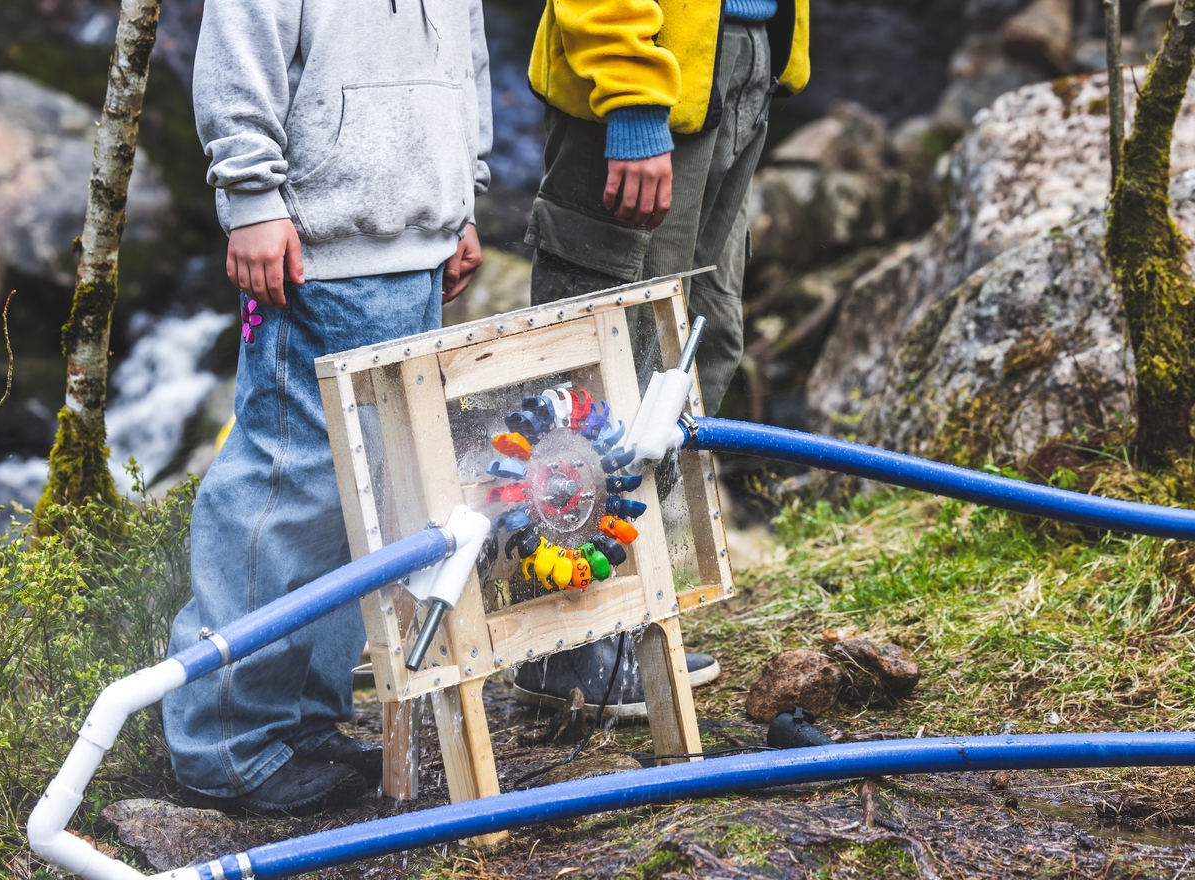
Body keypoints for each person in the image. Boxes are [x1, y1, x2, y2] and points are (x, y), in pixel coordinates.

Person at [163, 0, 492, 817]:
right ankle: (227, 743)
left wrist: (464, 199)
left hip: (419, 250)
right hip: (318, 252)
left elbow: (467, 62)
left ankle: (301, 723)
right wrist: (251, 199)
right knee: (288, 489)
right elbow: (240, 46)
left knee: (365, 502)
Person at [513, 0, 810, 715]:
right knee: (602, 360)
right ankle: (564, 643)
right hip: (647, 77)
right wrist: (632, 99)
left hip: (734, 64)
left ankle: (626, 607)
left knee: (696, 351)